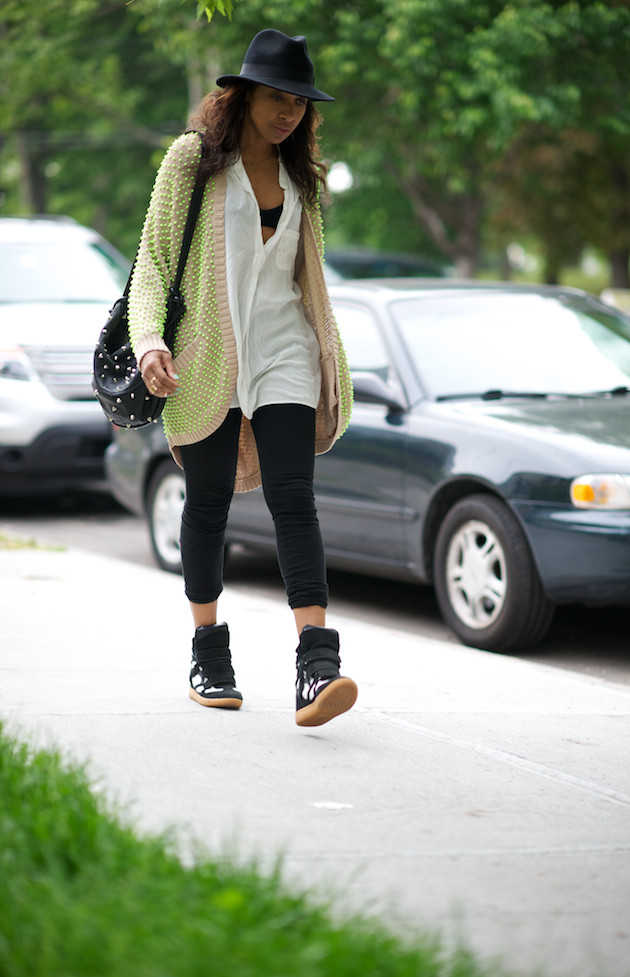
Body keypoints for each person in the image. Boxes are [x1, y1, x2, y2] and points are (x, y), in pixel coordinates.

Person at [128, 29, 357, 727]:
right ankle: (209, 650)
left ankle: (316, 666)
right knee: (208, 503)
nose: (289, 111)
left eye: (299, 102)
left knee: (295, 497)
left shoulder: (301, 179)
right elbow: (153, 262)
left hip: (285, 352)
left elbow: (303, 279)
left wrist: (328, 356)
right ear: (244, 95)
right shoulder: (193, 160)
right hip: (206, 358)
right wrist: (147, 341)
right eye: (276, 97)